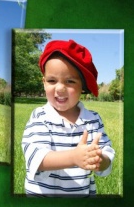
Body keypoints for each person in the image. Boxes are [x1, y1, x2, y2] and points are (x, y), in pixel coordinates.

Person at [21, 39, 115, 197]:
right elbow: (36, 158)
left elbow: (106, 152)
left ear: (83, 87)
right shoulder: (40, 117)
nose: (60, 88)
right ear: (44, 83)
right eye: (52, 80)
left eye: (70, 81)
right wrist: (74, 157)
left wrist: (100, 159)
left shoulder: (93, 119)